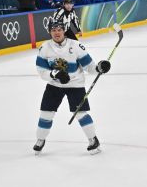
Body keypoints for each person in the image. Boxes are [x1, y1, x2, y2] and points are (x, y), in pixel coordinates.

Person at [33, 16, 104, 155]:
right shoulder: (45, 48)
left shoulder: (76, 46)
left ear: (64, 30)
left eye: (59, 29)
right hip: (54, 86)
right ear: (49, 32)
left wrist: (99, 68)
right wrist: (54, 74)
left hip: (75, 85)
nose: (56, 32)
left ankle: (93, 139)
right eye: (53, 30)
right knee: (46, 114)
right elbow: (41, 71)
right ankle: (40, 140)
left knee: (81, 113)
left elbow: (89, 67)